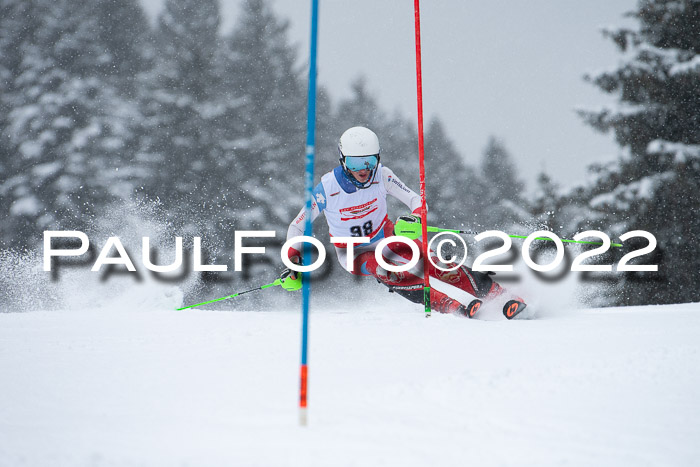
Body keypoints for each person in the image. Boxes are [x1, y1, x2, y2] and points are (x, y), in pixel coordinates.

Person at [279, 126, 527, 319]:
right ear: (343, 160)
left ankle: (502, 296)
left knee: (434, 262)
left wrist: (415, 218)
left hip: (387, 237)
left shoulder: (382, 176)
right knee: (390, 271)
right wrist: (294, 259)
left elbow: (416, 200)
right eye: (356, 163)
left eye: (370, 161)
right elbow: (297, 226)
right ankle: (449, 305)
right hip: (354, 252)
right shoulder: (327, 189)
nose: (364, 170)